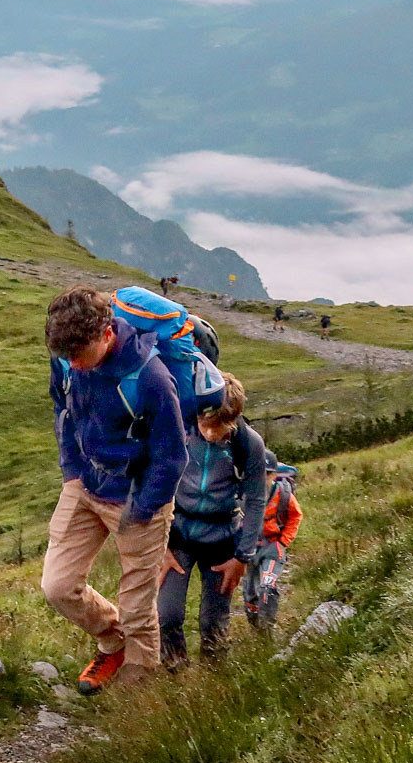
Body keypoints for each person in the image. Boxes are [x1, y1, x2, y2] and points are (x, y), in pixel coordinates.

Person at [43, 286, 188, 695]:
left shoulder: (151, 378)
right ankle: (113, 640)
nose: (70, 364)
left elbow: (172, 458)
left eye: (77, 355)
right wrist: (72, 469)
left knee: (139, 610)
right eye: (63, 357)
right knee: (57, 587)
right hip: (85, 485)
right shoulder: (68, 361)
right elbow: (62, 409)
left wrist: (141, 510)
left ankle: (138, 700)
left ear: (107, 334)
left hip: (138, 497)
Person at [157, 376, 268, 667]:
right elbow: (156, 482)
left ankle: (214, 677)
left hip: (222, 543)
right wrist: (161, 547)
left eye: (217, 427)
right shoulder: (178, 429)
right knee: (167, 615)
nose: (208, 433)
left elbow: (256, 500)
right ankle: (174, 676)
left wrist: (242, 557)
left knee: (213, 622)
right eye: (203, 424)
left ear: (233, 419)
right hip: (178, 536)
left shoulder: (248, 444)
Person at [244, 463, 303, 631]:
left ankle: (267, 628)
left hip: (273, 546)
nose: (264, 478)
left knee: (267, 586)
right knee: (250, 591)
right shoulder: (243, 493)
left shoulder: (283, 494)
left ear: (274, 475)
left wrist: (283, 542)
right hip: (249, 548)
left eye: (268, 474)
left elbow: (295, 516)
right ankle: (256, 628)